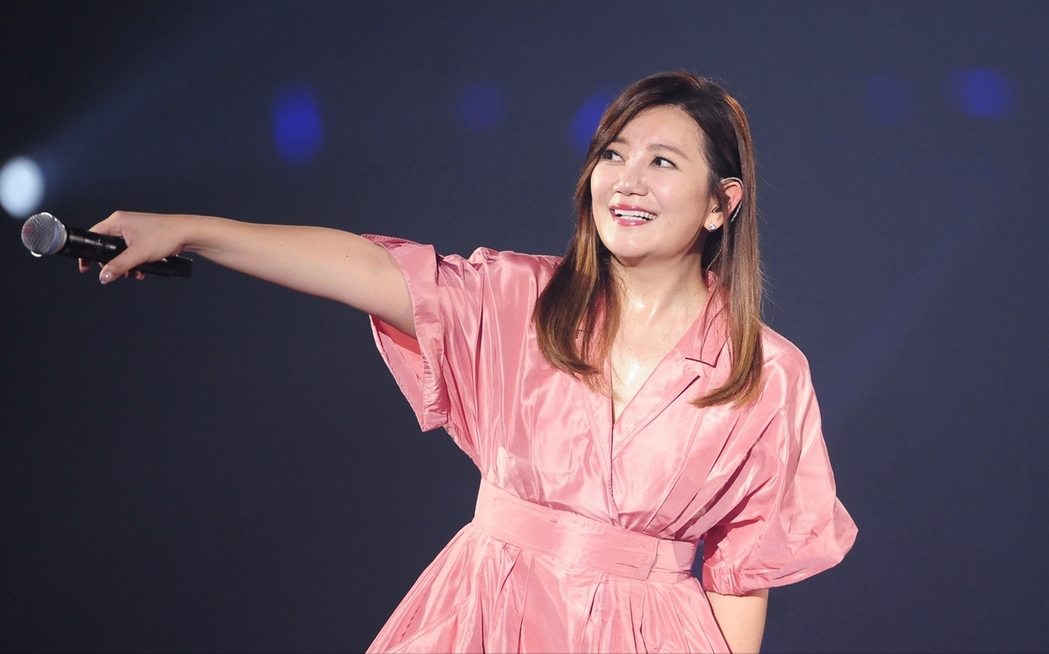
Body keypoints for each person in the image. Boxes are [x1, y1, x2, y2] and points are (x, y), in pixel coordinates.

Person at [85, 72, 857, 654]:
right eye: (612, 154)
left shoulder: (766, 372)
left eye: (662, 162)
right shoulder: (519, 299)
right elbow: (374, 270)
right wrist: (195, 230)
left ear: (721, 202)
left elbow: (741, 573)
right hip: (488, 610)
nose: (626, 180)